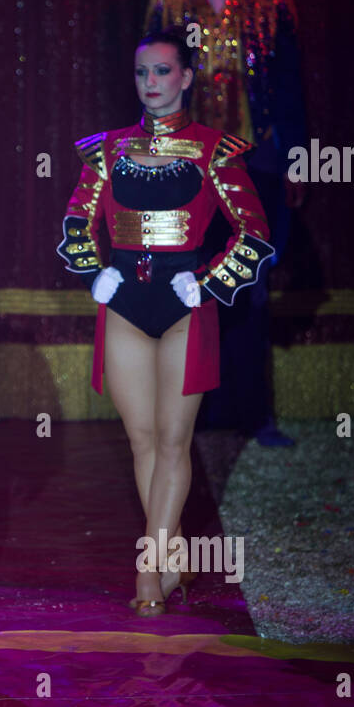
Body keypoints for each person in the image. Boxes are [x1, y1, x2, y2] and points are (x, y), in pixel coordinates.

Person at [57, 31, 272, 615]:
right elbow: (78, 222)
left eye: (162, 72)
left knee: (175, 440)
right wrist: (93, 273)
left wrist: (207, 282)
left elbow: (254, 233)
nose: (150, 83)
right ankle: (173, 557)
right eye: (141, 73)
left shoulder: (214, 150)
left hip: (185, 305)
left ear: (185, 78)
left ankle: (150, 568)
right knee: (143, 439)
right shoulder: (106, 151)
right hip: (125, 302)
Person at [143, 0, 308, 446]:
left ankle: (254, 416)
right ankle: (195, 416)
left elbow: (289, 87)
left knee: (250, 286)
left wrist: (296, 162)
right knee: (189, 285)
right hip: (189, 166)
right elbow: (152, 83)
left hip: (255, 160)